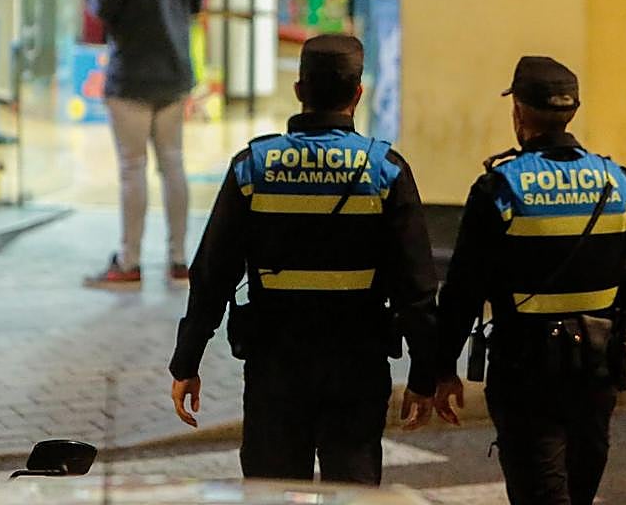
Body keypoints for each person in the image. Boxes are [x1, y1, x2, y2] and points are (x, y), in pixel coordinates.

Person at [169, 35, 438, 485]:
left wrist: (186, 361)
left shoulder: (254, 166)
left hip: (275, 364)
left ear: (299, 90)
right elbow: (417, 286)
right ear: (358, 93)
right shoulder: (385, 169)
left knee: (272, 489)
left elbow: (213, 274)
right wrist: (426, 375)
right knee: (352, 489)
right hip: (358, 363)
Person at [433, 56, 626, 505]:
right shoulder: (618, 182)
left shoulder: (500, 188)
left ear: (519, 111)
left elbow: (463, 290)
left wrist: (440, 369)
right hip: (597, 364)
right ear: (571, 111)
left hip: (523, 370)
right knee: (578, 489)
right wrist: (612, 298)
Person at [85, 0, 202, 286]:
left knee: (132, 167)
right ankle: (179, 259)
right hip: (175, 72)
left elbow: (103, 7)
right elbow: (192, 7)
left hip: (131, 73)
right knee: (173, 163)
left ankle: (130, 262)